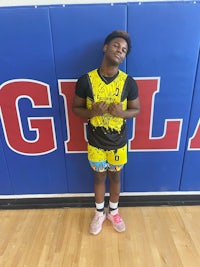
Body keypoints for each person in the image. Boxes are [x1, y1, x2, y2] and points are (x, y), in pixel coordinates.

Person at [72, 30, 140, 235]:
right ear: (105, 47)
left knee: (116, 177)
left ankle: (114, 212)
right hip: (96, 142)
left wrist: (122, 113)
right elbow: (76, 109)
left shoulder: (128, 82)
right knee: (100, 178)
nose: (120, 50)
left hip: (118, 142)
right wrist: (92, 111)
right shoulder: (86, 80)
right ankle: (99, 213)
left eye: (124, 50)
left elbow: (136, 110)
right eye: (116, 46)